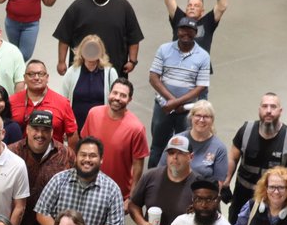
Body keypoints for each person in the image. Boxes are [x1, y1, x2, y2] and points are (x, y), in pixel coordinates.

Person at [35, 136, 124, 225]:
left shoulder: (112, 189)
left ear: (101, 159)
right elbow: (42, 213)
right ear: (76, 157)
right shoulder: (59, 180)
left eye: (92, 156)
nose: (87, 159)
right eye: (83, 155)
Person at [225, 93, 287, 220]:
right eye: (264, 106)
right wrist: (226, 182)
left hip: (272, 197)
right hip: (242, 194)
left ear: (280, 110)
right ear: (259, 109)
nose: (268, 111)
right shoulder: (246, 130)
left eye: (273, 107)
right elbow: (233, 157)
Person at [146, 16, 211, 168]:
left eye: (190, 30)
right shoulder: (164, 49)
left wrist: (176, 103)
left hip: (186, 110)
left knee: (185, 147)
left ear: (195, 33)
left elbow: (200, 87)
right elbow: (153, 77)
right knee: (157, 146)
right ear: (177, 31)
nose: (186, 33)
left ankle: (179, 178)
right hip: (163, 107)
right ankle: (153, 178)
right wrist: (172, 101)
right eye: (182, 29)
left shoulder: (203, 56)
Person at [53, 0, 143, 79]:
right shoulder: (78, 7)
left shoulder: (123, 6)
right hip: (81, 70)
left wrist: (132, 61)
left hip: (114, 70)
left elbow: (133, 37)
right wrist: (61, 61)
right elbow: (64, 37)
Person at [9, 110, 74, 225]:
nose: (40, 134)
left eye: (45, 130)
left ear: (52, 132)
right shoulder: (12, 153)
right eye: (35, 129)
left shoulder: (66, 155)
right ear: (27, 129)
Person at [81, 78, 149, 207]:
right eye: (115, 93)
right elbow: (83, 148)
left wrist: (131, 198)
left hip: (117, 193)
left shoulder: (136, 128)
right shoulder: (93, 113)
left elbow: (138, 166)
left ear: (130, 100)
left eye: (123, 95)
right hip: (88, 185)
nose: (117, 98)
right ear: (109, 93)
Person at [9, 60, 77, 147]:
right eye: (31, 74)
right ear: (24, 78)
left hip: (53, 157)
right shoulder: (11, 101)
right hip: (17, 157)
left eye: (41, 74)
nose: (36, 78)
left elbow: (72, 134)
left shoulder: (62, 103)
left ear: (47, 77)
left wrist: (71, 158)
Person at [61, 35, 121, 126]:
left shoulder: (110, 73)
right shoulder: (71, 72)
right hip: (76, 127)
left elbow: (117, 100)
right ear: (81, 51)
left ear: (100, 52)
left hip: (101, 126)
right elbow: (63, 100)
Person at [181, 100, 228, 186]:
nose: (201, 120)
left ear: (212, 120)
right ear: (191, 117)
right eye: (198, 115)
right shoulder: (178, 140)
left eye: (206, 116)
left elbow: (218, 185)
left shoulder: (219, 148)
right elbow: (162, 170)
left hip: (202, 197)